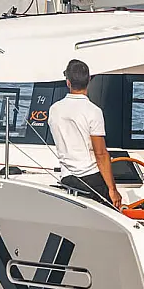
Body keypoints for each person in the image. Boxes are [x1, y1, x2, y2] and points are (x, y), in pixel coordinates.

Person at [48, 59, 122, 208]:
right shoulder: (93, 111)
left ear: (68, 82)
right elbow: (100, 154)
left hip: (67, 178)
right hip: (92, 180)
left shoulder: (54, 109)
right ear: (89, 80)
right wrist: (113, 190)